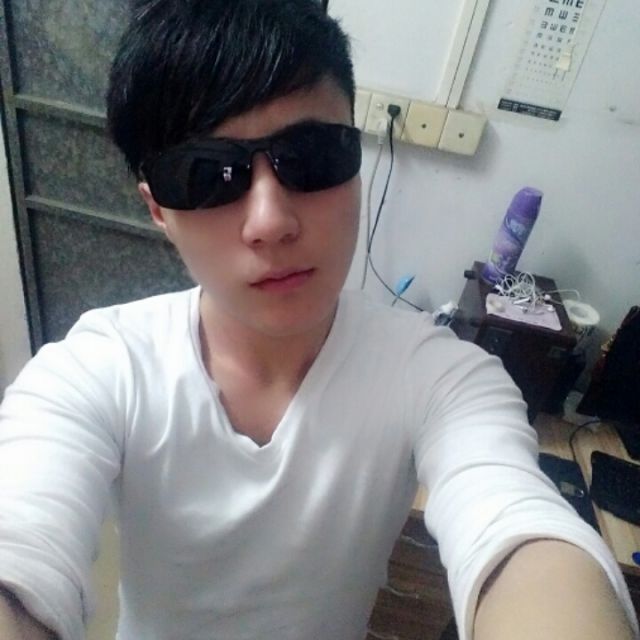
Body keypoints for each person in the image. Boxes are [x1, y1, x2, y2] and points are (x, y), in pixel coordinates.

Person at [0, 1, 637, 639]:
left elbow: (515, 523)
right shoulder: (101, 366)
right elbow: (18, 537)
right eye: (205, 175)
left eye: (310, 156)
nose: (270, 221)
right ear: (158, 210)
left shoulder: (436, 375)